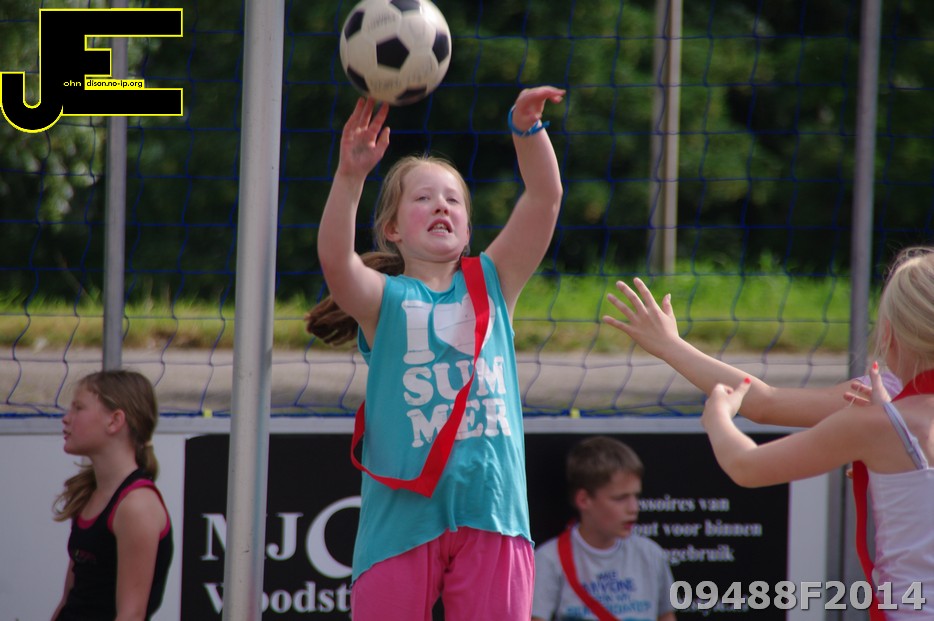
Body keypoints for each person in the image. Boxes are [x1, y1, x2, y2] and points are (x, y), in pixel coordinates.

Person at [308, 87, 564, 621]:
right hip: (401, 522)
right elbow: (336, 260)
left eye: (453, 200)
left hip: (493, 512)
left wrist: (527, 129)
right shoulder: (384, 299)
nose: (441, 205)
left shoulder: (493, 281)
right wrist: (350, 176)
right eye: (423, 198)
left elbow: (544, 198)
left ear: (467, 229)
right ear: (393, 229)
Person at [610, 247, 934, 619]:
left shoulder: (875, 420)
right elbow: (767, 403)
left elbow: (747, 462)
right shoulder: (880, 407)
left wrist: (717, 416)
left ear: (889, 334)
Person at [602, 277, 902, 428]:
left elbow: (764, 407)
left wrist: (718, 422)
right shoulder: (883, 399)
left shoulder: (881, 398)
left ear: (888, 334)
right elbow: (765, 404)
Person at [50, 369, 173, 621]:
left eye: (78, 408)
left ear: (115, 421)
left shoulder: (136, 505)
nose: (66, 418)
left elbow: (131, 615)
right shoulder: (89, 494)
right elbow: (69, 600)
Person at [532, 436, 676, 621]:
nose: (633, 508)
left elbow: (666, 615)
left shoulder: (650, 554)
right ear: (583, 500)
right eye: (620, 498)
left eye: (636, 496)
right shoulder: (549, 560)